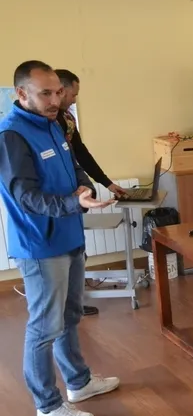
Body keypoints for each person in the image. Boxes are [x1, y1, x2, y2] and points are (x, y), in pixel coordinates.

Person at [0, 60, 119, 416]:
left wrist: (83, 185)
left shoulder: (56, 123)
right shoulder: (12, 135)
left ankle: (79, 383)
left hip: (70, 235)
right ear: (21, 94)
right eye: (45, 94)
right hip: (40, 244)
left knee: (70, 316)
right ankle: (47, 406)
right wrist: (73, 203)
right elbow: (25, 196)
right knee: (44, 326)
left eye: (57, 92)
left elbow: (73, 166)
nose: (56, 100)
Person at [55, 68, 128, 317]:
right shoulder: (44, 124)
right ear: (60, 90)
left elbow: (81, 153)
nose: (75, 99)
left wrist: (107, 183)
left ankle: (75, 300)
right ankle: (64, 305)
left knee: (77, 251)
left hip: (74, 193)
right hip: (57, 199)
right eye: (73, 94)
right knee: (62, 256)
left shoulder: (68, 119)